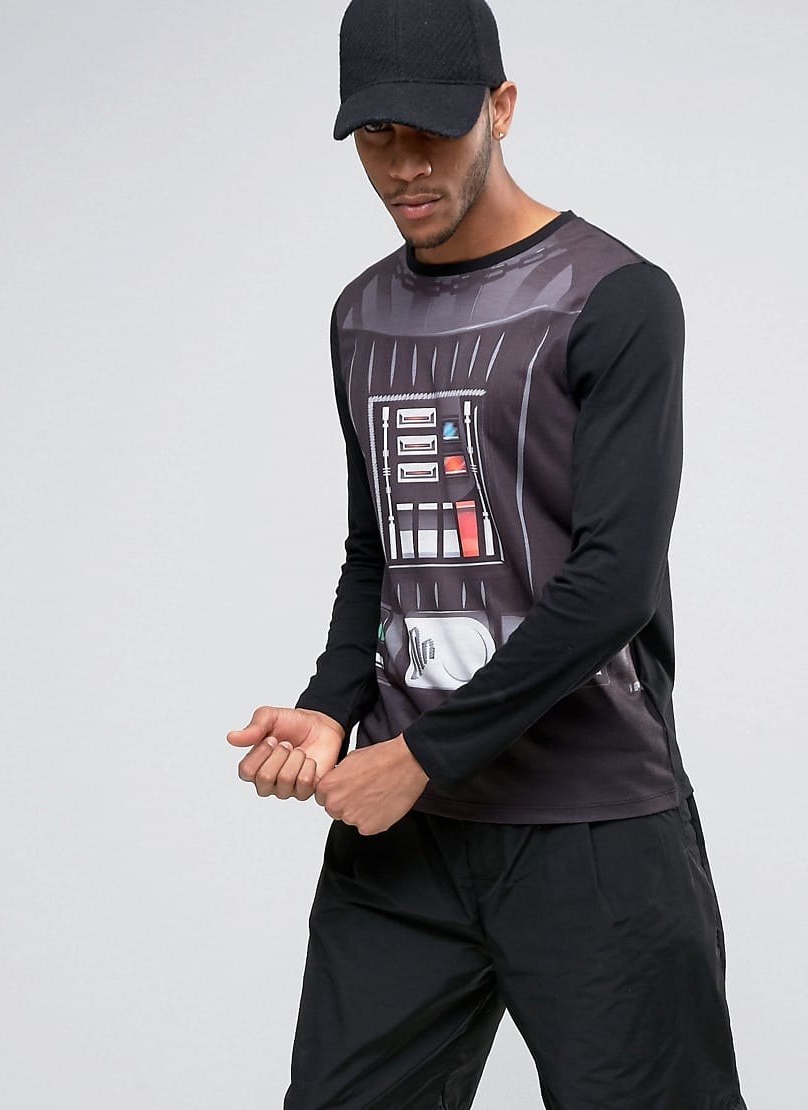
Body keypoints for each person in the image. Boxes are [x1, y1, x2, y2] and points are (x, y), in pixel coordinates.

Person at [227, 0, 749, 1106]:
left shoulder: (614, 298)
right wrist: (329, 707)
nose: (404, 165)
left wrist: (420, 755)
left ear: (501, 109)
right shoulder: (360, 315)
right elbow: (377, 553)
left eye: (434, 130)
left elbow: (611, 583)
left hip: (591, 827)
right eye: (377, 136)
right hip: (403, 844)